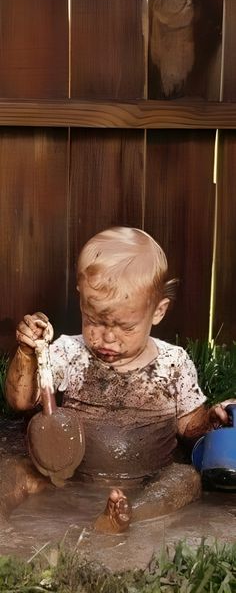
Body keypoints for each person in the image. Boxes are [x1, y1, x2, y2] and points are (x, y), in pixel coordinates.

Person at [5, 227, 233, 531]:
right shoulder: (68, 352)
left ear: (158, 311)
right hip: (66, 476)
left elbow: (188, 425)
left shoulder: (172, 362)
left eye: (125, 327)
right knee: (13, 470)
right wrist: (27, 352)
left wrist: (210, 421)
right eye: (94, 321)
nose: (107, 338)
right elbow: (20, 401)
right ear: (82, 302)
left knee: (185, 480)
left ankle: (126, 515)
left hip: (148, 478)